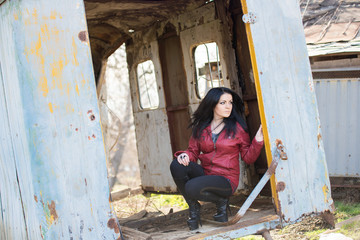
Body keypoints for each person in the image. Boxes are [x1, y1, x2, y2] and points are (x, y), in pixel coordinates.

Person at [169, 87, 264, 230]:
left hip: (226, 179)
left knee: (190, 187)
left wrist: (258, 140)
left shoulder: (237, 128)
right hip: (206, 174)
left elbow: (248, 158)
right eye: (223, 103)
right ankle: (194, 208)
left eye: (230, 102)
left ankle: (221, 200)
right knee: (176, 165)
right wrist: (185, 155)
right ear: (213, 104)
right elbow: (193, 152)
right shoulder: (201, 127)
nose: (228, 106)